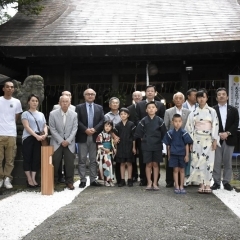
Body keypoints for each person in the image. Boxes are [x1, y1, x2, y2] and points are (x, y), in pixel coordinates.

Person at [185, 89, 219, 194]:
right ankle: (201, 184)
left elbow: (215, 126)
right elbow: (189, 127)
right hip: (197, 139)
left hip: (208, 139)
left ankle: (207, 184)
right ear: (196, 99)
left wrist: (214, 140)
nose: (201, 99)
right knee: (197, 161)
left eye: (203, 97)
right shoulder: (194, 112)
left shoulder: (212, 111)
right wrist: (190, 142)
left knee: (208, 162)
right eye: (199, 97)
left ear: (207, 98)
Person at [135, 85, 165, 186]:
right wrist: (143, 135)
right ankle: (144, 179)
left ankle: (155, 181)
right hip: (145, 138)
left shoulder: (160, 105)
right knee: (145, 160)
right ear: (145, 93)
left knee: (156, 163)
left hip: (156, 139)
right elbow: (137, 119)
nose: (150, 93)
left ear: (155, 93)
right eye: (148, 91)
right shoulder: (139, 105)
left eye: (152, 91)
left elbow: (162, 121)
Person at [211, 88, 239, 191]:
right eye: (219, 94)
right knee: (216, 162)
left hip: (229, 138)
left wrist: (227, 133)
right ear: (216, 97)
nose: (221, 96)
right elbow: (211, 124)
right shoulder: (212, 110)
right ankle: (216, 182)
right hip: (217, 139)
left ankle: (226, 182)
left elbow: (235, 124)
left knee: (228, 162)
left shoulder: (234, 110)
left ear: (227, 97)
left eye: (223, 94)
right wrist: (219, 134)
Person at [76, 88, 104, 188]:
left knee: (93, 159)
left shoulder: (99, 108)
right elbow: (77, 120)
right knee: (82, 159)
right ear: (84, 96)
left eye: (92, 94)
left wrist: (94, 129)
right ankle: (82, 180)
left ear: (95, 96)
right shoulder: (79, 107)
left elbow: (102, 120)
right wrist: (85, 130)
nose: (90, 96)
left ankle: (93, 179)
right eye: (88, 94)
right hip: (83, 136)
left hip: (94, 136)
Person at [49, 95, 78, 190]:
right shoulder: (53, 114)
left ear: (70, 103)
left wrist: (68, 140)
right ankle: (54, 180)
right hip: (57, 142)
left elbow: (75, 129)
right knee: (55, 162)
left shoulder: (74, 114)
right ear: (59, 103)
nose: (65, 103)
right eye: (63, 101)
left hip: (70, 143)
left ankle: (69, 182)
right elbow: (52, 129)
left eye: (67, 101)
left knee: (69, 163)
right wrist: (61, 140)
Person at [164, 92, 191, 188]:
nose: (178, 100)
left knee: (183, 162)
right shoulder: (168, 111)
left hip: (183, 139)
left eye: (180, 98)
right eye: (176, 98)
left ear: (183, 100)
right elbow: (166, 126)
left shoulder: (188, 112)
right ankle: (170, 181)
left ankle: (182, 182)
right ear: (173, 100)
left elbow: (190, 126)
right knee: (170, 160)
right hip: (172, 139)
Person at [21, 94, 48, 188]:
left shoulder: (41, 114)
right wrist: (36, 136)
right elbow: (26, 126)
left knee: (36, 159)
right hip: (28, 138)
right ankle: (29, 179)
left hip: (39, 138)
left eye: (36, 101)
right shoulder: (25, 113)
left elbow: (44, 125)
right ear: (29, 102)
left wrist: (45, 133)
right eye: (32, 100)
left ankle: (34, 178)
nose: (34, 102)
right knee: (27, 158)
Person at [163, 114, 193, 194]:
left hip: (182, 154)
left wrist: (187, 155)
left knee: (182, 170)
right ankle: (176, 185)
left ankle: (181, 186)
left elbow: (187, 144)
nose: (177, 123)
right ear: (172, 122)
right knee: (175, 170)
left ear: (182, 122)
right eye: (175, 121)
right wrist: (168, 155)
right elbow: (168, 145)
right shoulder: (170, 133)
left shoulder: (184, 132)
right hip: (173, 154)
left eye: (179, 121)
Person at [0, 81, 22, 189]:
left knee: (10, 158)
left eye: (11, 87)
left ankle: (7, 178)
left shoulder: (17, 102)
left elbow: (16, 117)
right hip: (0, 133)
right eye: (7, 87)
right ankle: (0, 178)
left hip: (11, 133)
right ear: (3, 89)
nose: (9, 89)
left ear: (13, 89)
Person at [114, 108, 136, 187]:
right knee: (122, 163)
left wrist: (134, 147)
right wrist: (116, 148)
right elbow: (115, 138)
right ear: (119, 115)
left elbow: (134, 137)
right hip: (120, 146)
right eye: (121, 114)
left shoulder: (131, 124)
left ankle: (129, 179)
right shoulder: (117, 125)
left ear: (128, 115)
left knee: (129, 163)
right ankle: (122, 179)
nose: (123, 115)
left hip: (129, 145)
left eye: (125, 114)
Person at [104, 97, 121, 184]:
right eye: (113, 103)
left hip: (121, 139)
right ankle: (110, 178)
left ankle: (119, 179)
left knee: (119, 159)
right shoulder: (106, 116)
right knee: (110, 159)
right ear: (110, 105)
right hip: (110, 139)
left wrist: (118, 138)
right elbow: (107, 128)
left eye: (116, 103)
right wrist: (114, 137)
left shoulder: (122, 114)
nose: (115, 104)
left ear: (119, 105)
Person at [127, 91, 143, 182]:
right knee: (132, 155)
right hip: (132, 135)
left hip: (142, 135)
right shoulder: (129, 108)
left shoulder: (145, 107)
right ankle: (134, 175)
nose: (137, 97)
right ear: (132, 98)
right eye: (135, 96)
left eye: (139, 96)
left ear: (141, 97)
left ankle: (142, 175)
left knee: (142, 155)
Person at [96, 120, 116, 187]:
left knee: (110, 166)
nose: (107, 127)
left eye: (109, 126)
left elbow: (112, 144)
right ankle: (105, 180)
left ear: (111, 127)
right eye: (106, 126)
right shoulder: (100, 134)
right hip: (103, 153)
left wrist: (113, 149)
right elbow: (99, 143)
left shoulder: (110, 135)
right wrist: (104, 149)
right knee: (106, 166)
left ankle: (110, 180)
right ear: (103, 126)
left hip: (109, 152)